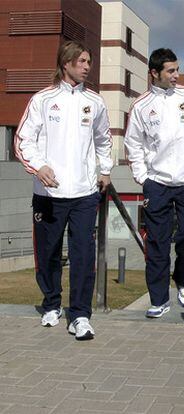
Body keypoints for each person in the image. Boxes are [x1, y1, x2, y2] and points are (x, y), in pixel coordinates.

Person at [14, 40, 113, 340]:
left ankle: (80, 315)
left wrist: (105, 169)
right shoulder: (42, 100)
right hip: (48, 195)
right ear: (66, 62)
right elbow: (22, 140)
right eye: (81, 61)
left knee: (83, 255)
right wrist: (40, 167)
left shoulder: (95, 102)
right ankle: (51, 304)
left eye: (89, 62)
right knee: (48, 254)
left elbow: (103, 139)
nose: (86, 66)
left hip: (84, 193)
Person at [124, 48, 184, 318]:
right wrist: (144, 177)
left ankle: (183, 277)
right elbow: (133, 144)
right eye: (170, 71)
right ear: (154, 73)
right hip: (158, 183)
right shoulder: (141, 106)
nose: (176, 75)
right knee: (158, 242)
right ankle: (159, 299)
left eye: (177, 69)